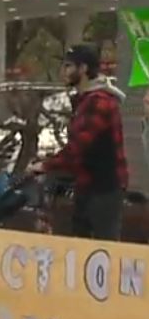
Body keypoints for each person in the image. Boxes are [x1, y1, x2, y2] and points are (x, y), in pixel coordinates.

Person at [29, 44, 126, 240]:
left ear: (83, 69)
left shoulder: (99, 101)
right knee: (81, 244)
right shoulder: (85, 99)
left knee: (102, 247)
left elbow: (79, 148)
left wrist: (45, 165)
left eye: (68, 66)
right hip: (88, 183)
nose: (63, 72)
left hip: (104, 187)